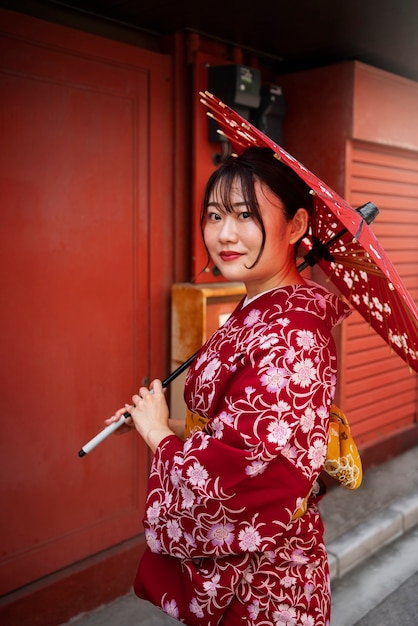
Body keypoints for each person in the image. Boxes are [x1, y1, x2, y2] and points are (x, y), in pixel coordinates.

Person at [105, 147, 351, 625]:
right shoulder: (256, 310)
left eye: (246, 215)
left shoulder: (290, 336)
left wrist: (162, 438)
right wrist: (157, 422)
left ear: (297, 225)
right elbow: (231, 429)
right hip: (255, 569)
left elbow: (245, 474)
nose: (224, 234)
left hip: (265, 580)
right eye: (215, 215)